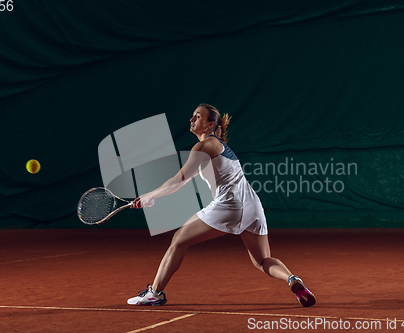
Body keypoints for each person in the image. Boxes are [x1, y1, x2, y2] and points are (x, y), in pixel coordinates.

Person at [126, 103, 315, 307]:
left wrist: (151, 195)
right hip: (253, 206)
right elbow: (184, 182)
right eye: (192, 116)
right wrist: (151, 196)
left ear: (209, 125)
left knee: (179, 240)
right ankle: (292, 279)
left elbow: (178, 180)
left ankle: (155, 293)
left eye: (197, 117)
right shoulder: (216, 147)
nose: (191, 120)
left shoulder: (205, 145)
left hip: (230, 205)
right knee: (262, 261)